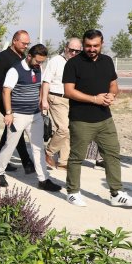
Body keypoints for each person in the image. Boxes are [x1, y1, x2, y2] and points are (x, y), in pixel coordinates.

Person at [62, 29, 132, 207]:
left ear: (102, 44)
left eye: (95, 46)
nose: (91, 49)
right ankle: (73, 192)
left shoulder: (107, 61)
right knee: (76, 157)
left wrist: (112, 95)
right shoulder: (73, 63)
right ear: (83, 44)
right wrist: (94, 99)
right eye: (88, 46)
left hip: (105, 119)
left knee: (112, 154)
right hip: (81, 120)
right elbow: (69, 91)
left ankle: (117, 193)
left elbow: (113, 85)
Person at [0, 44, 62, 192]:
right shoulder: (15, 70)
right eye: (38, 61)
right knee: (9, 146)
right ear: (29, 56)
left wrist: (41, 101)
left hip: (35, 115)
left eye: (42, 61)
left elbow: (39, 86)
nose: (40, 64)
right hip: (18, 115)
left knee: (38, 148)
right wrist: (9, 113)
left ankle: (43, 180)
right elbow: (6, 91)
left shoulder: (38, 68)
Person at [0, 30, 35, 173]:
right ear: (14, 40)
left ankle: (1, 160)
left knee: (12, 129)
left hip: (19, 99)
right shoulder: (2, 57)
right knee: (16, 128)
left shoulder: (23, 57)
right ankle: (27, 162)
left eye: (28, 44)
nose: (25, 46)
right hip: (5, 98)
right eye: (23, 43)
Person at [41, 38, 82, 169]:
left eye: (77, 51)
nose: (74, 53)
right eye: (71, 50)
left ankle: (64, 161)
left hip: (72, 99)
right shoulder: (55, 61)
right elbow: (46, 81)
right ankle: (48, 152)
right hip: (56, 98)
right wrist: (43, 99)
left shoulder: (78, 63)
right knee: (63, 129)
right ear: (65, 48)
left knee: (69, 129)